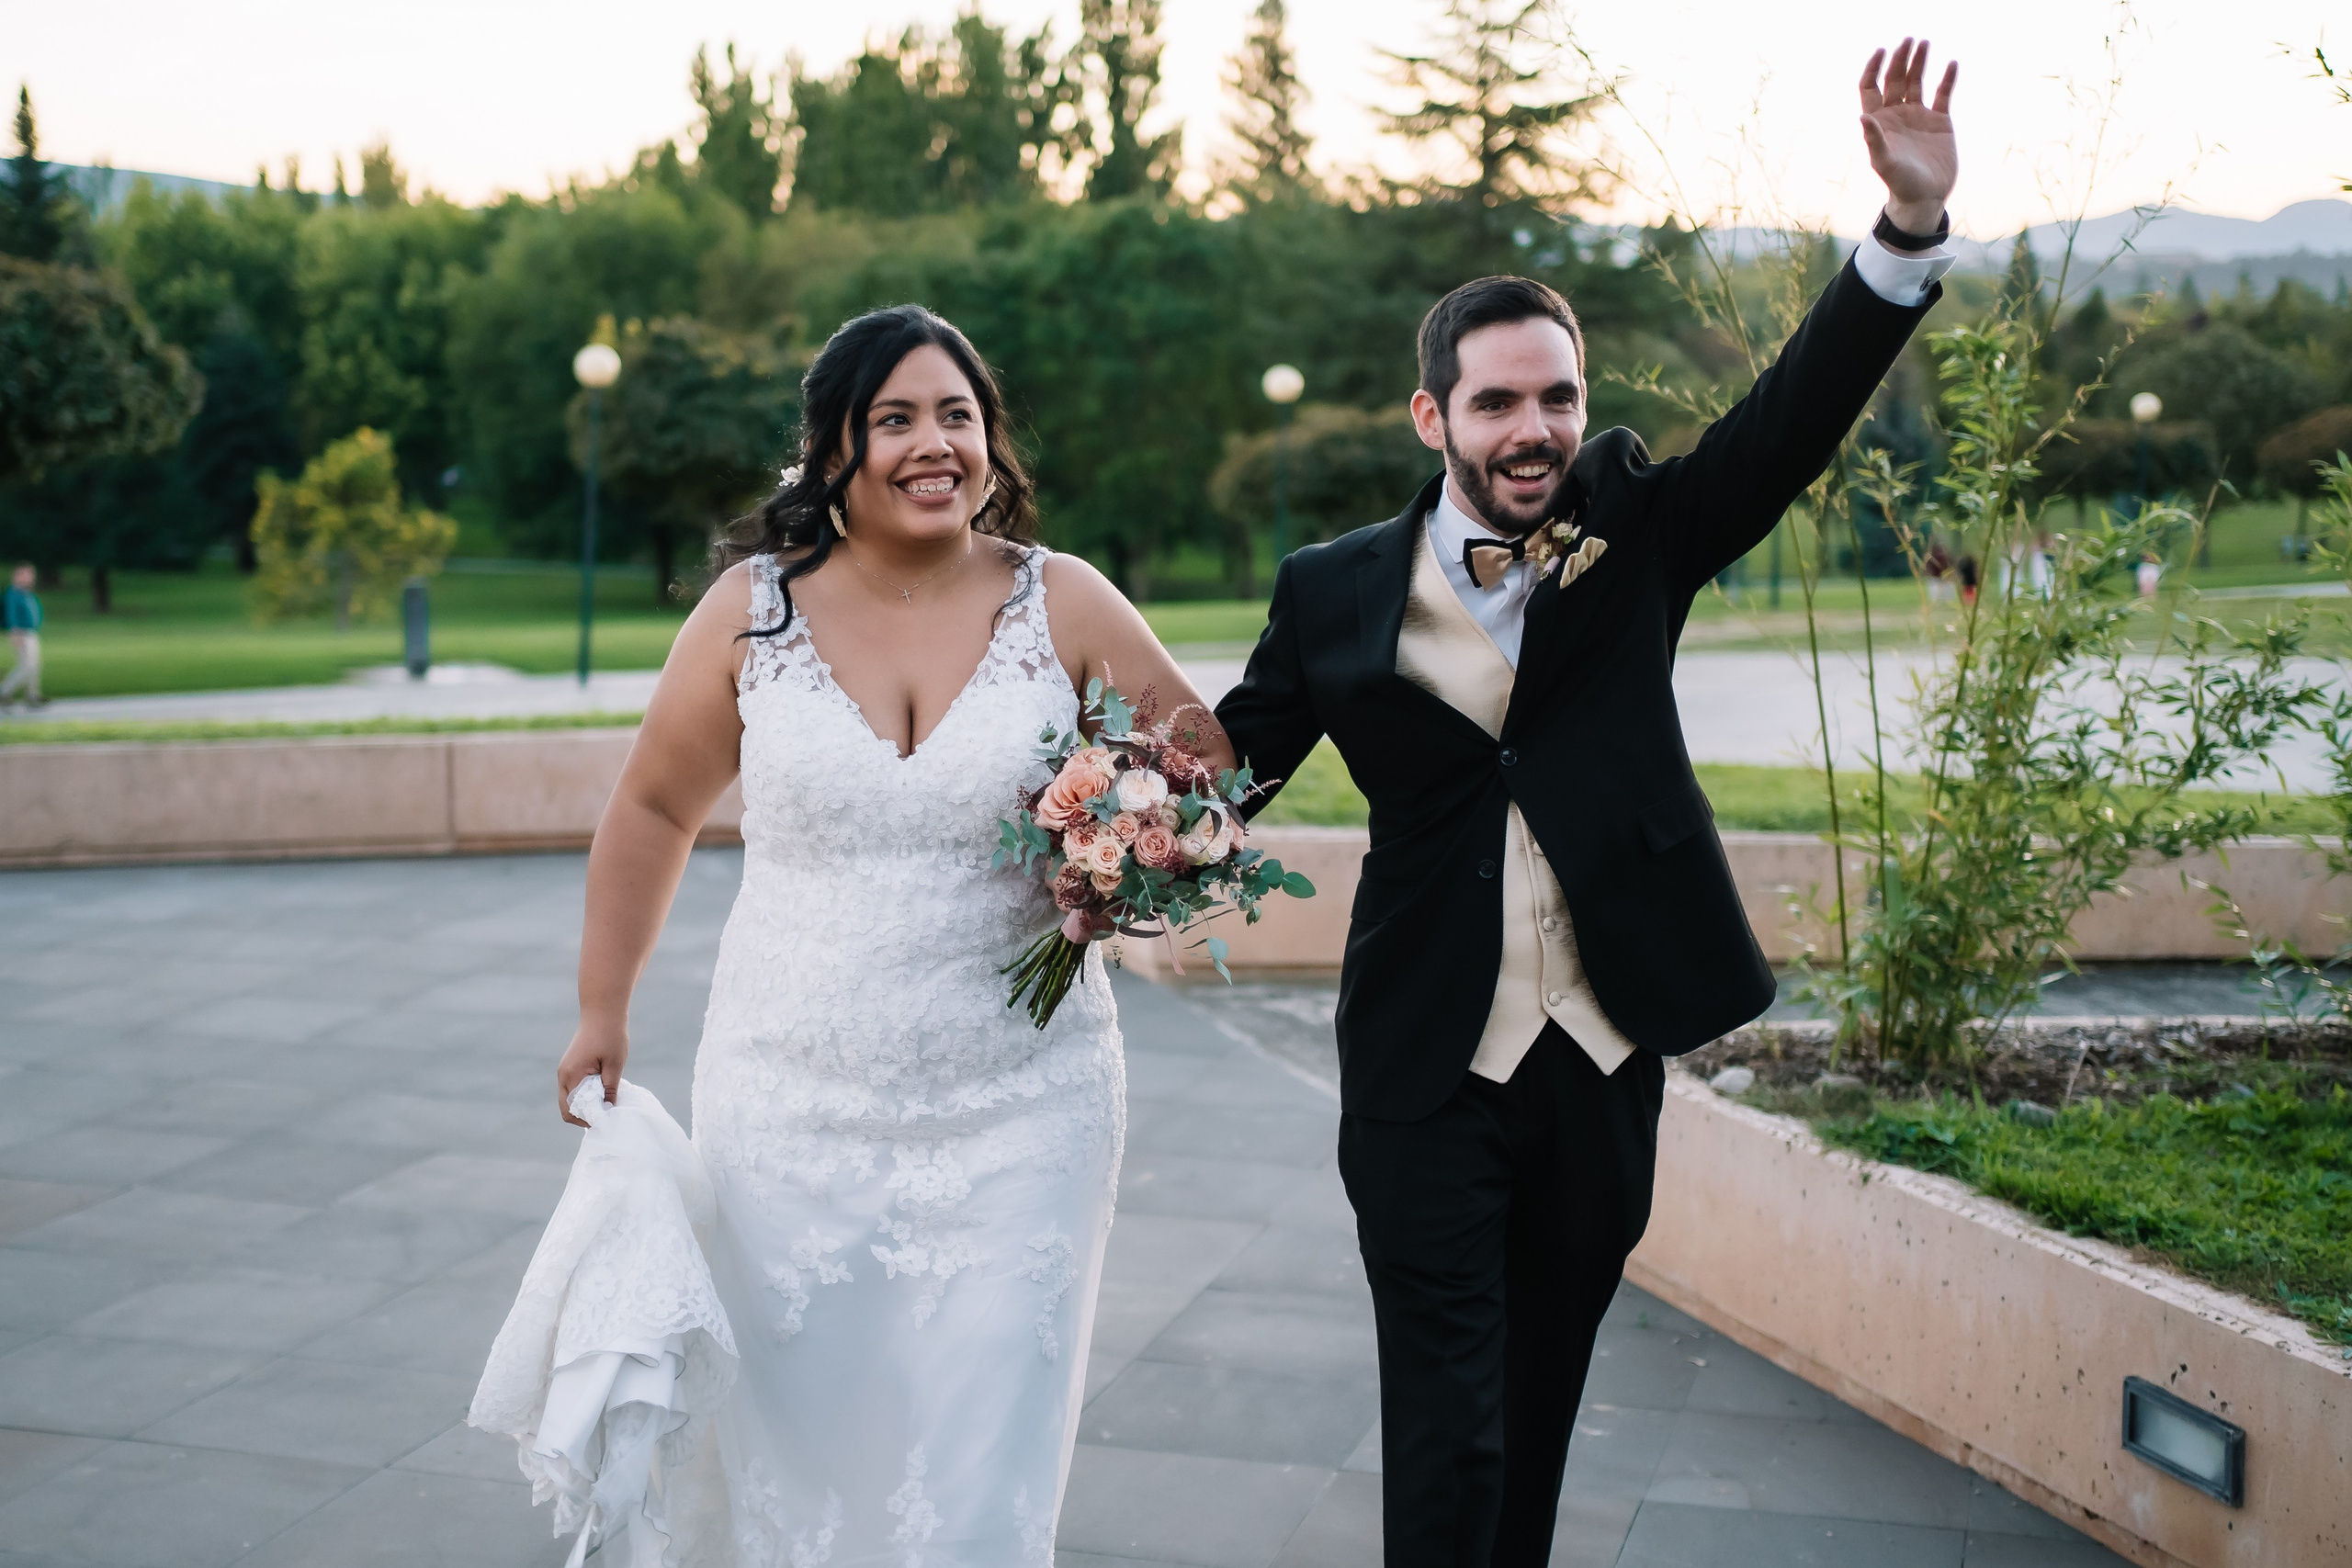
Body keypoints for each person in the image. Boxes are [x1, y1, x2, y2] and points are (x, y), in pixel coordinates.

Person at [1214, 38, 1960, 1568]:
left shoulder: (1643, 530)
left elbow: (1789, 418)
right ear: (1434, 419)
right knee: (1448, 1417)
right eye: (1497, 403)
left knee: (1540, 1408)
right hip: (1421, 1063)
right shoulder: (1328, 590)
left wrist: (1902, 237)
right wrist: (1114, 828)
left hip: (1601, 1053)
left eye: (1556, 397)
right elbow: (1234, 759)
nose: (1533, 428)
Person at [540, 305, 1231, 1561]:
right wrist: (604, 1006)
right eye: (897, 417)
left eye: (958, 416)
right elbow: (652, 804)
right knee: (801, 1441)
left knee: (983, 1454)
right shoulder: (751, 613)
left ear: (990, 442)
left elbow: (1198, 768)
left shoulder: (1061, 601)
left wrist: (1126, 853)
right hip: (787, 1105)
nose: (935, 444)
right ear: (835, 447)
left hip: (1026, 1104)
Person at [2, 563, 42, 708]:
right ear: (18, 575)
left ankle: (32, 696)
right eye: (27, 574)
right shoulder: (13, 593)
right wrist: (14, 631)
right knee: (26, 666)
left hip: (30, 632)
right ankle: (4, 691)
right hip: (21, 633)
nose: (31, 578)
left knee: (34, 666)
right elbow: (11, 614)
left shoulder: (25, 593)